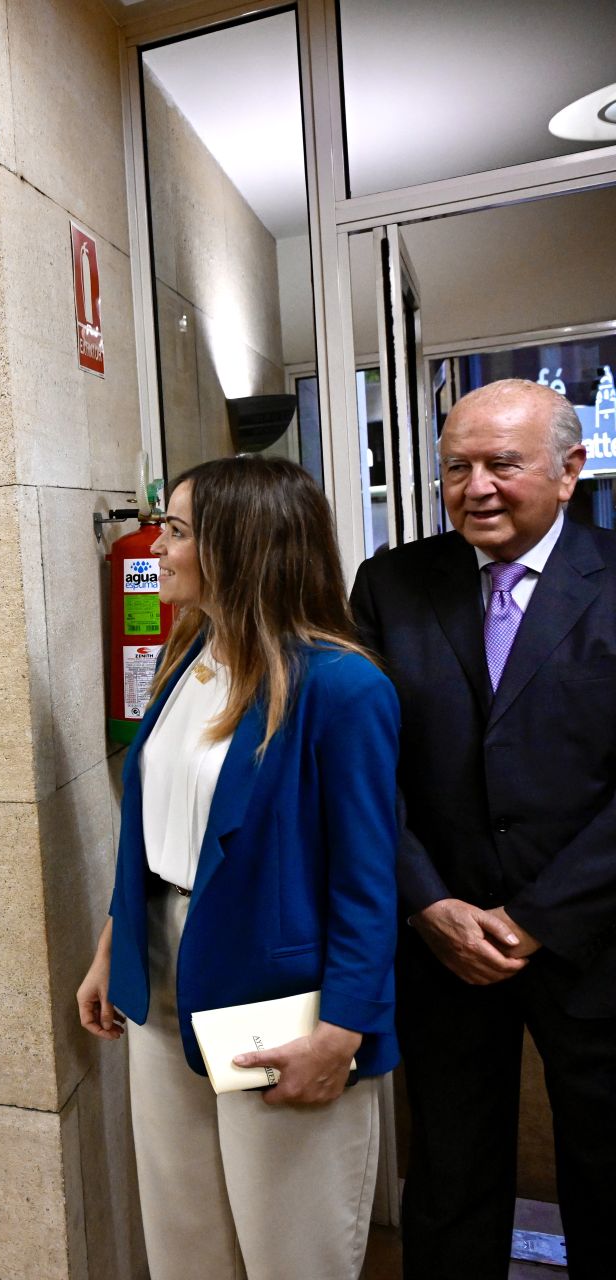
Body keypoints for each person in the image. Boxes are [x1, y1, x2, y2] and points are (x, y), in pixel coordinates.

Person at [76, 455, 400, 1280]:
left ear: (241, 546)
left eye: (179, 532)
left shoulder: (341, 687)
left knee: (291, 1245)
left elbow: (369, 878)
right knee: (186, 1240)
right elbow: (155, 825)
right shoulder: (191, 658)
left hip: (276, 996)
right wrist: (114, 943)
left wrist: (344, 1029)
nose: (161, 549)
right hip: (160, 971)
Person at [350, 378, 616, 1280]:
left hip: (596, 943)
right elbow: (363, 773)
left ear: (570, 469)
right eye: (456, 467)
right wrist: (427, 903)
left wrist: (539, 915)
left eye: (503, 464)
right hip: (445, 944)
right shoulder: (392, 584)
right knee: (452, 1177)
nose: (477, 488)